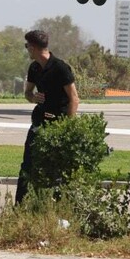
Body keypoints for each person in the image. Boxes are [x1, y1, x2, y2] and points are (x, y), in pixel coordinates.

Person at [14, 29, 79, 204]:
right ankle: (18, 208)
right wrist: (32, 97)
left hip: (57, 124)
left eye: (27, 46)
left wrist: (67, 127)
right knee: (27, 167)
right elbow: (28, 92)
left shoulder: (60, 67)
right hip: (38, 123)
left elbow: (74, 99)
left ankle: (58, 208)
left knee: (56, 171)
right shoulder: (34, 67)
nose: (26, 49)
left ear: (33, 47)